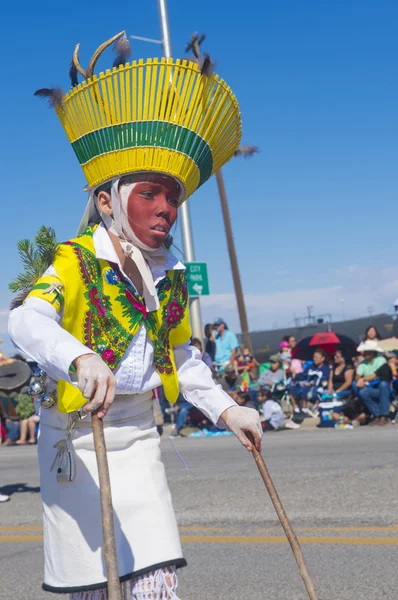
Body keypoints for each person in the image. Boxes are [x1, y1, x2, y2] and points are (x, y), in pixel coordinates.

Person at [8, 33, 262, 600]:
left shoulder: (168, 274)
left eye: (172, 198)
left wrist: (228, 409)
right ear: (107, 201)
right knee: (97, 587)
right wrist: (78, 356)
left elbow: (183, 358)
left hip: (140, 441)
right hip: (77, 445)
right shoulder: (75, 262)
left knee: (154, 580)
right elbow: (25, 321)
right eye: (150, 194)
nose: (167, 209)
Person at [355, 340, 391, 425]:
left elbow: (376, 374)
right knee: (363, 392)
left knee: (383, 384)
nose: (365, 354)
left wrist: (363, 379)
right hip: (373, 389)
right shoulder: (363, 363)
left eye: (367, 352)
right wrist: (358, 380)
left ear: (373, 353)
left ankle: (384, 416)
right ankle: (377, 415)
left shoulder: (381, 360)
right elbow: (358, 375)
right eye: (365, 352)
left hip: (385, 388)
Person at [288, 349, 330, 417]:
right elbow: (303, 376)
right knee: (291, 387)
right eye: (313, 357)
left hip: (317, 389)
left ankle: (304, 409)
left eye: (316, 357)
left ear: (323, 358)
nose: (314, 359)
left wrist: (311, 383)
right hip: (305, 386)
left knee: (305, 388)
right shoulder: (310, 367)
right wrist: (295, 376)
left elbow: (324, 381)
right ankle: (296, 409)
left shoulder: (326, 369)